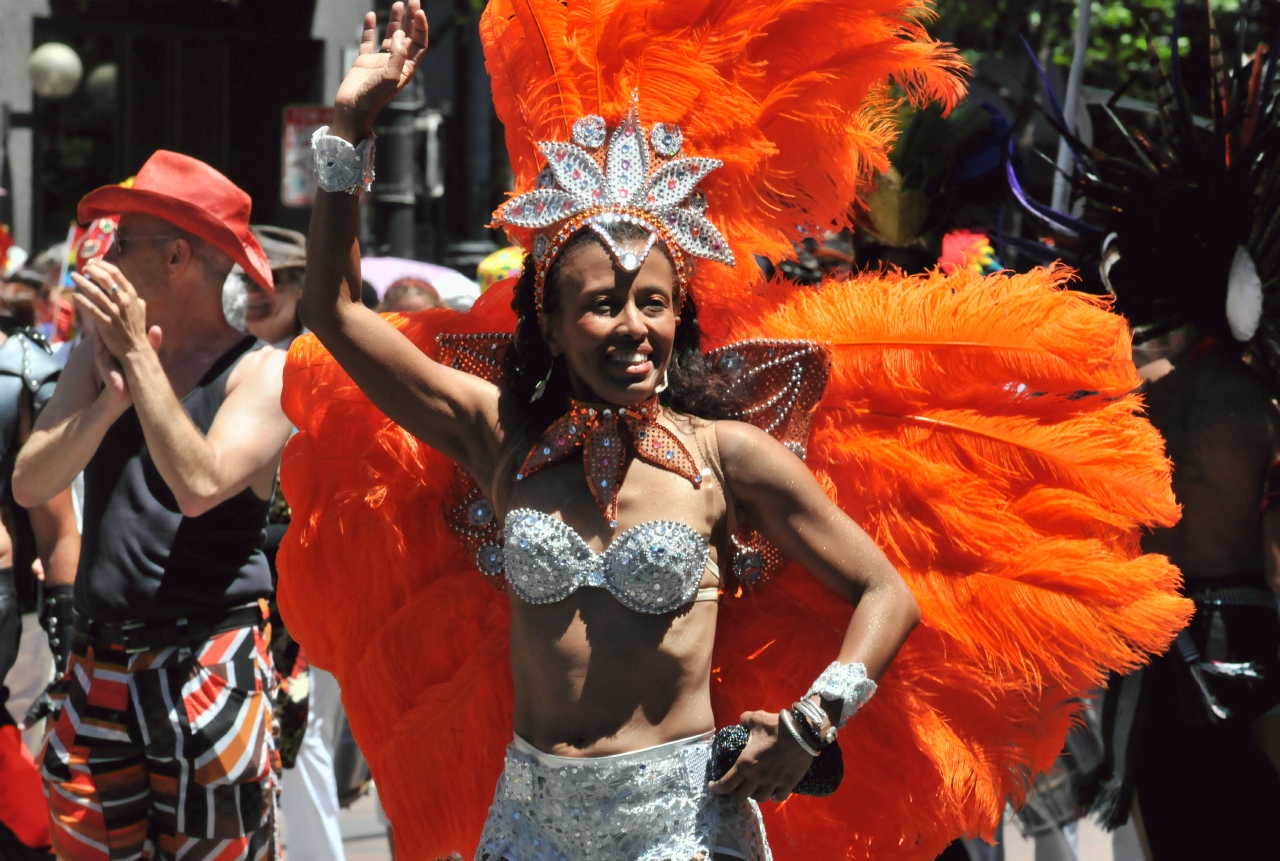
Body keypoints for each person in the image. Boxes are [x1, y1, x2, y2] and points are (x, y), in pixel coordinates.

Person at [276, 3, 1188, 860]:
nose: (632, 326)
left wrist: (812, 720)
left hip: (685, 828)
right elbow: (333, 308)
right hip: (530, 825)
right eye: (600, 305)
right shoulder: (500, 439)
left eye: (653, 303)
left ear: (681, 317)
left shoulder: (726, 453)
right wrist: (352, 127)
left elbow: (885, 592)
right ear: (550, 323)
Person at [12, 150, 293, 861]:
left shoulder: (262, 371)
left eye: (122, 238)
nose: (102, 252)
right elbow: (28, 482)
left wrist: (139, 361)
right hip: (99, 660)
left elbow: (198, 485)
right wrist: (106, 404)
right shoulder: (96, 353)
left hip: (209, 664)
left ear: (176, 256)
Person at [242, 222, 350, 861]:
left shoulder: (323, 362)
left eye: (275, 280)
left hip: (307, 585)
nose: (259, 293)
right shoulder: (222, 359)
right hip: (238, 583)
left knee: (302, 742)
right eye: (247, 281)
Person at [0, 298, 79, 861]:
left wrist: (65, 620)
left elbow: (57, 528)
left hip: (19, 626)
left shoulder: (20, 365)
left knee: (27, 819)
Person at [244, 225, 308, 348]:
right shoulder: (213, 354)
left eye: (269, 278)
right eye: (243, 278)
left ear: (300, 288)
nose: (252, 292)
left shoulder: (327, 353)